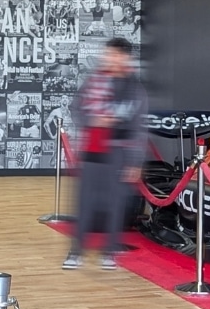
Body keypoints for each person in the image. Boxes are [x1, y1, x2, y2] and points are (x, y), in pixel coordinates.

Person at [63, 37, 148, 270]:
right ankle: (76, 250)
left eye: (117, 55)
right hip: (92, 150)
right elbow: (76, 108)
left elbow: (139, 127)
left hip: (119, 153)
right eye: (109, 54)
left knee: (115, 204)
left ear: (126, 58)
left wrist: (135, 162)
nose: (111, 58)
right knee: (84, 203)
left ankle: (109, 251)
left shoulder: (135, 89)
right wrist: (93, 120)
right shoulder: (94, 82)